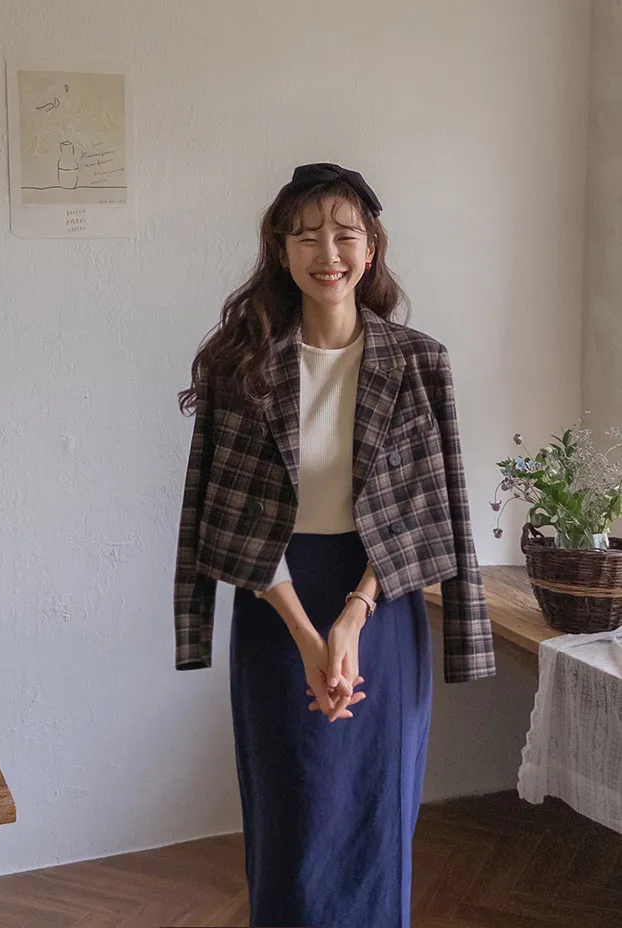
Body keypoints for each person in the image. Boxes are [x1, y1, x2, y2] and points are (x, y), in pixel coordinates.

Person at [174, 162, 496, 928]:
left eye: (345, 235)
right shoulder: (241, 363)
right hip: (275, 602)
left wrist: (352, 618)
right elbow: (222, 514)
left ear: (371, 248)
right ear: (280, 250)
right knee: (290, 815)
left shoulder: (418, 361)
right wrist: (306, 633)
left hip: (380, 602)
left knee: (378, 813)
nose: (329, 253)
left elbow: (429, 504)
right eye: (308, 236)